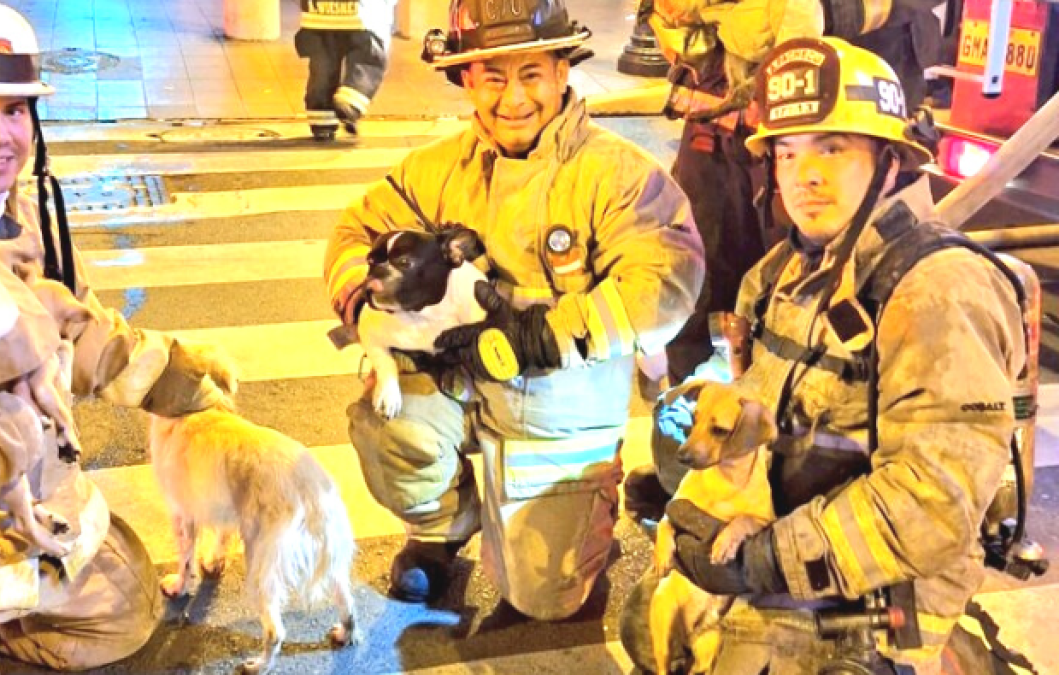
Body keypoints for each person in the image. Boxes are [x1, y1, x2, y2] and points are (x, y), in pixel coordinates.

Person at [621, 37, 1032, 674]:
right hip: (791, 546)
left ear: (891, 162)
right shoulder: (782, 272)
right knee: (648, 622)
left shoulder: (936, 292)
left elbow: (932, 507)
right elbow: (760, 417)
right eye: (787, 153)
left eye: (832, 149)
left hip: (880, 600)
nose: (803, 176)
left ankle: (938, 660)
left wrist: (762, 559)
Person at [0, 1, 230, 672]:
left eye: (15, 110)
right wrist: (18, 431)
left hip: (17, 509)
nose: (0, 136)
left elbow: (64, 322)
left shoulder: (4, 212)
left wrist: (169, 375)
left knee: (126, 607)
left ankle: (8, 624)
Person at [323, 0, 705, 620]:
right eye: (493, 76)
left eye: (530, 74)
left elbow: (666, 283)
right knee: (385, 424)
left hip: (558, 408)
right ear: (467, 79)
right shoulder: (435, 169)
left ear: (563, 71)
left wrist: (539, 338)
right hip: (455, 387)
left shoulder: (622, 176)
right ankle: (443, 531)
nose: (512, 97)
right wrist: (367, 311)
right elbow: (353, 238)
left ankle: (586, 508)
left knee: (543, 601)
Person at [626, 0, 949, 529]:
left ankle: (807, 502)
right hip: (726, 125)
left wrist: (821, 11)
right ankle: (700, 477)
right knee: (719, 296)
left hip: (853, 121)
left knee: (850, 311)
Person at [296, 0, 397, 140]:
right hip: (363, 14)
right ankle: (350, 102)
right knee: (367, 60)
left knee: (323, 65)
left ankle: (321, 121)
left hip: (317, 16)